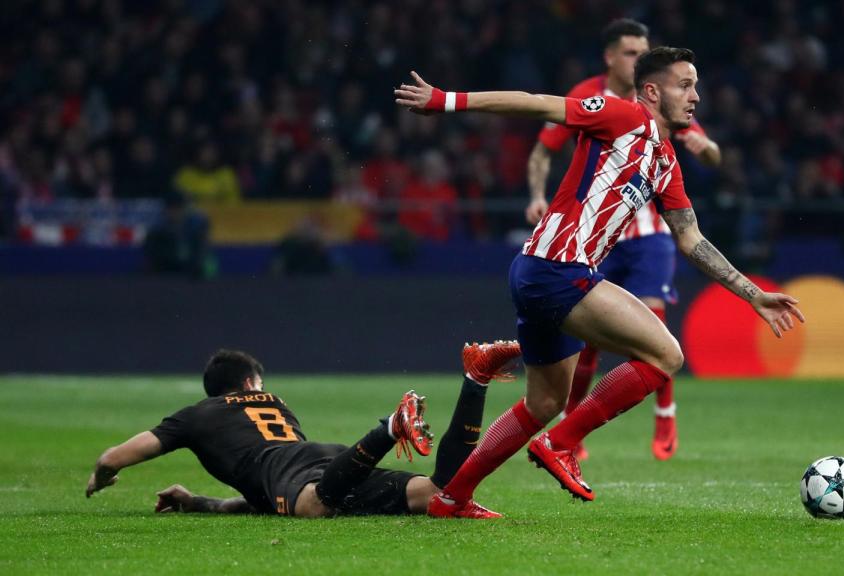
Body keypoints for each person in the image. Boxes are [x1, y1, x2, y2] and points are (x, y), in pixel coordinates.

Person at [395, 47, 804, 519]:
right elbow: (535, 102)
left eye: (696, 85)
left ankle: (451, 498)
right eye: (685, 85)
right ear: (652, 91)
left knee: (544, 400)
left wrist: (753, 295)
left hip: (542, 272)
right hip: (557, 268)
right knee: (666, 355)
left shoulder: (666, 161)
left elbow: (691, 240)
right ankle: (562, 444)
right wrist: (446, 101)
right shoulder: (621, 114)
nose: (696, 96)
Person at [525, 19, 723, 462]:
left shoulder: (667, 97)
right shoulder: (593, 98)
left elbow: (711, 152)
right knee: (590, 338)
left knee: (653, 322)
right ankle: (571, 434)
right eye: (631, 51)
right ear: (611, 58)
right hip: (598, 237)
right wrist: (537, 195)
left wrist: (703, 148)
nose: (639, 57)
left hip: (651, 235)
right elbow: (543, 148)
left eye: (643, 50)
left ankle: (665, 413)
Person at [85, 341, 521, 517]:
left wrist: (102, 475)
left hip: (297, 474)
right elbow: (261, 500)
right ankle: (476, 378)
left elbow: (113, 457)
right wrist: (197, 501)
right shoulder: (276, 402)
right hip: (324, 459)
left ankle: (390, 427)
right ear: (252, 383)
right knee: (437, 493)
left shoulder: (197, 415)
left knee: (314, 505)